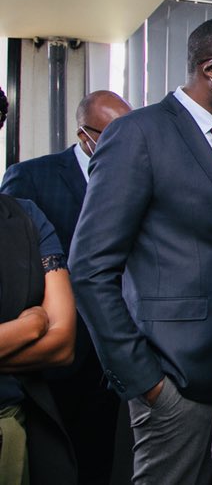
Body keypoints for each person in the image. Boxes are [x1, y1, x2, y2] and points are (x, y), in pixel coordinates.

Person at [69, 17, 212, 484]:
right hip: (175, 380)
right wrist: (145, 382)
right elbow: (90, 267)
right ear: (211, 68)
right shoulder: (138, 133)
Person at [1, 89, 131, 485]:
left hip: (104, 349)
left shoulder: (133, 177)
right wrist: (27, 327)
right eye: (111, 135)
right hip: (41, 372)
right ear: (83, 134)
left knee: (97, 462)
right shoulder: (33, 180)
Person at [0, 85, 78, 484]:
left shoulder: (26, 218)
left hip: (8, 424)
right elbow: (43, 328)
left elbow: (62, 343)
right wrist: (28, 327)